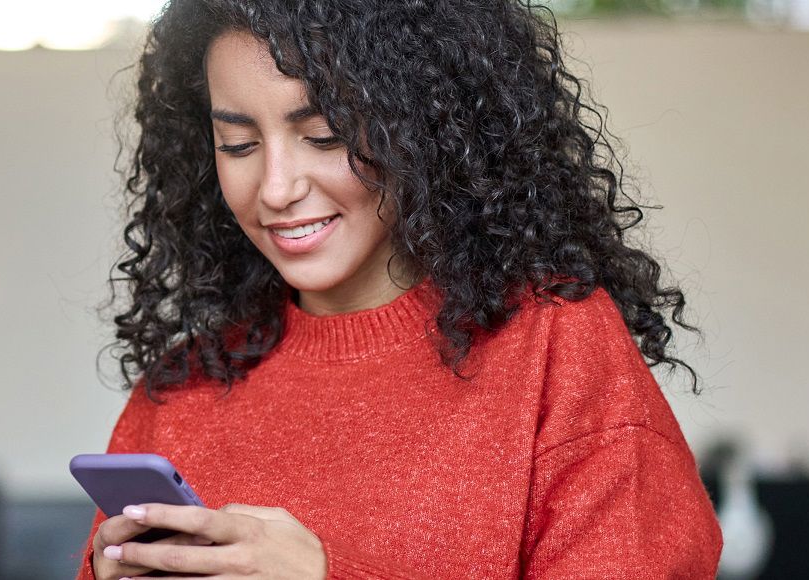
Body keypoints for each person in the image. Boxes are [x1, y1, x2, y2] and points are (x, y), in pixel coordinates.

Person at [81, 0, 723, 578]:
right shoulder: (182, 391)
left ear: (423, 125)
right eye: (239, 144)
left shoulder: (556, 349)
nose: (276, 189)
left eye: (323, 135)